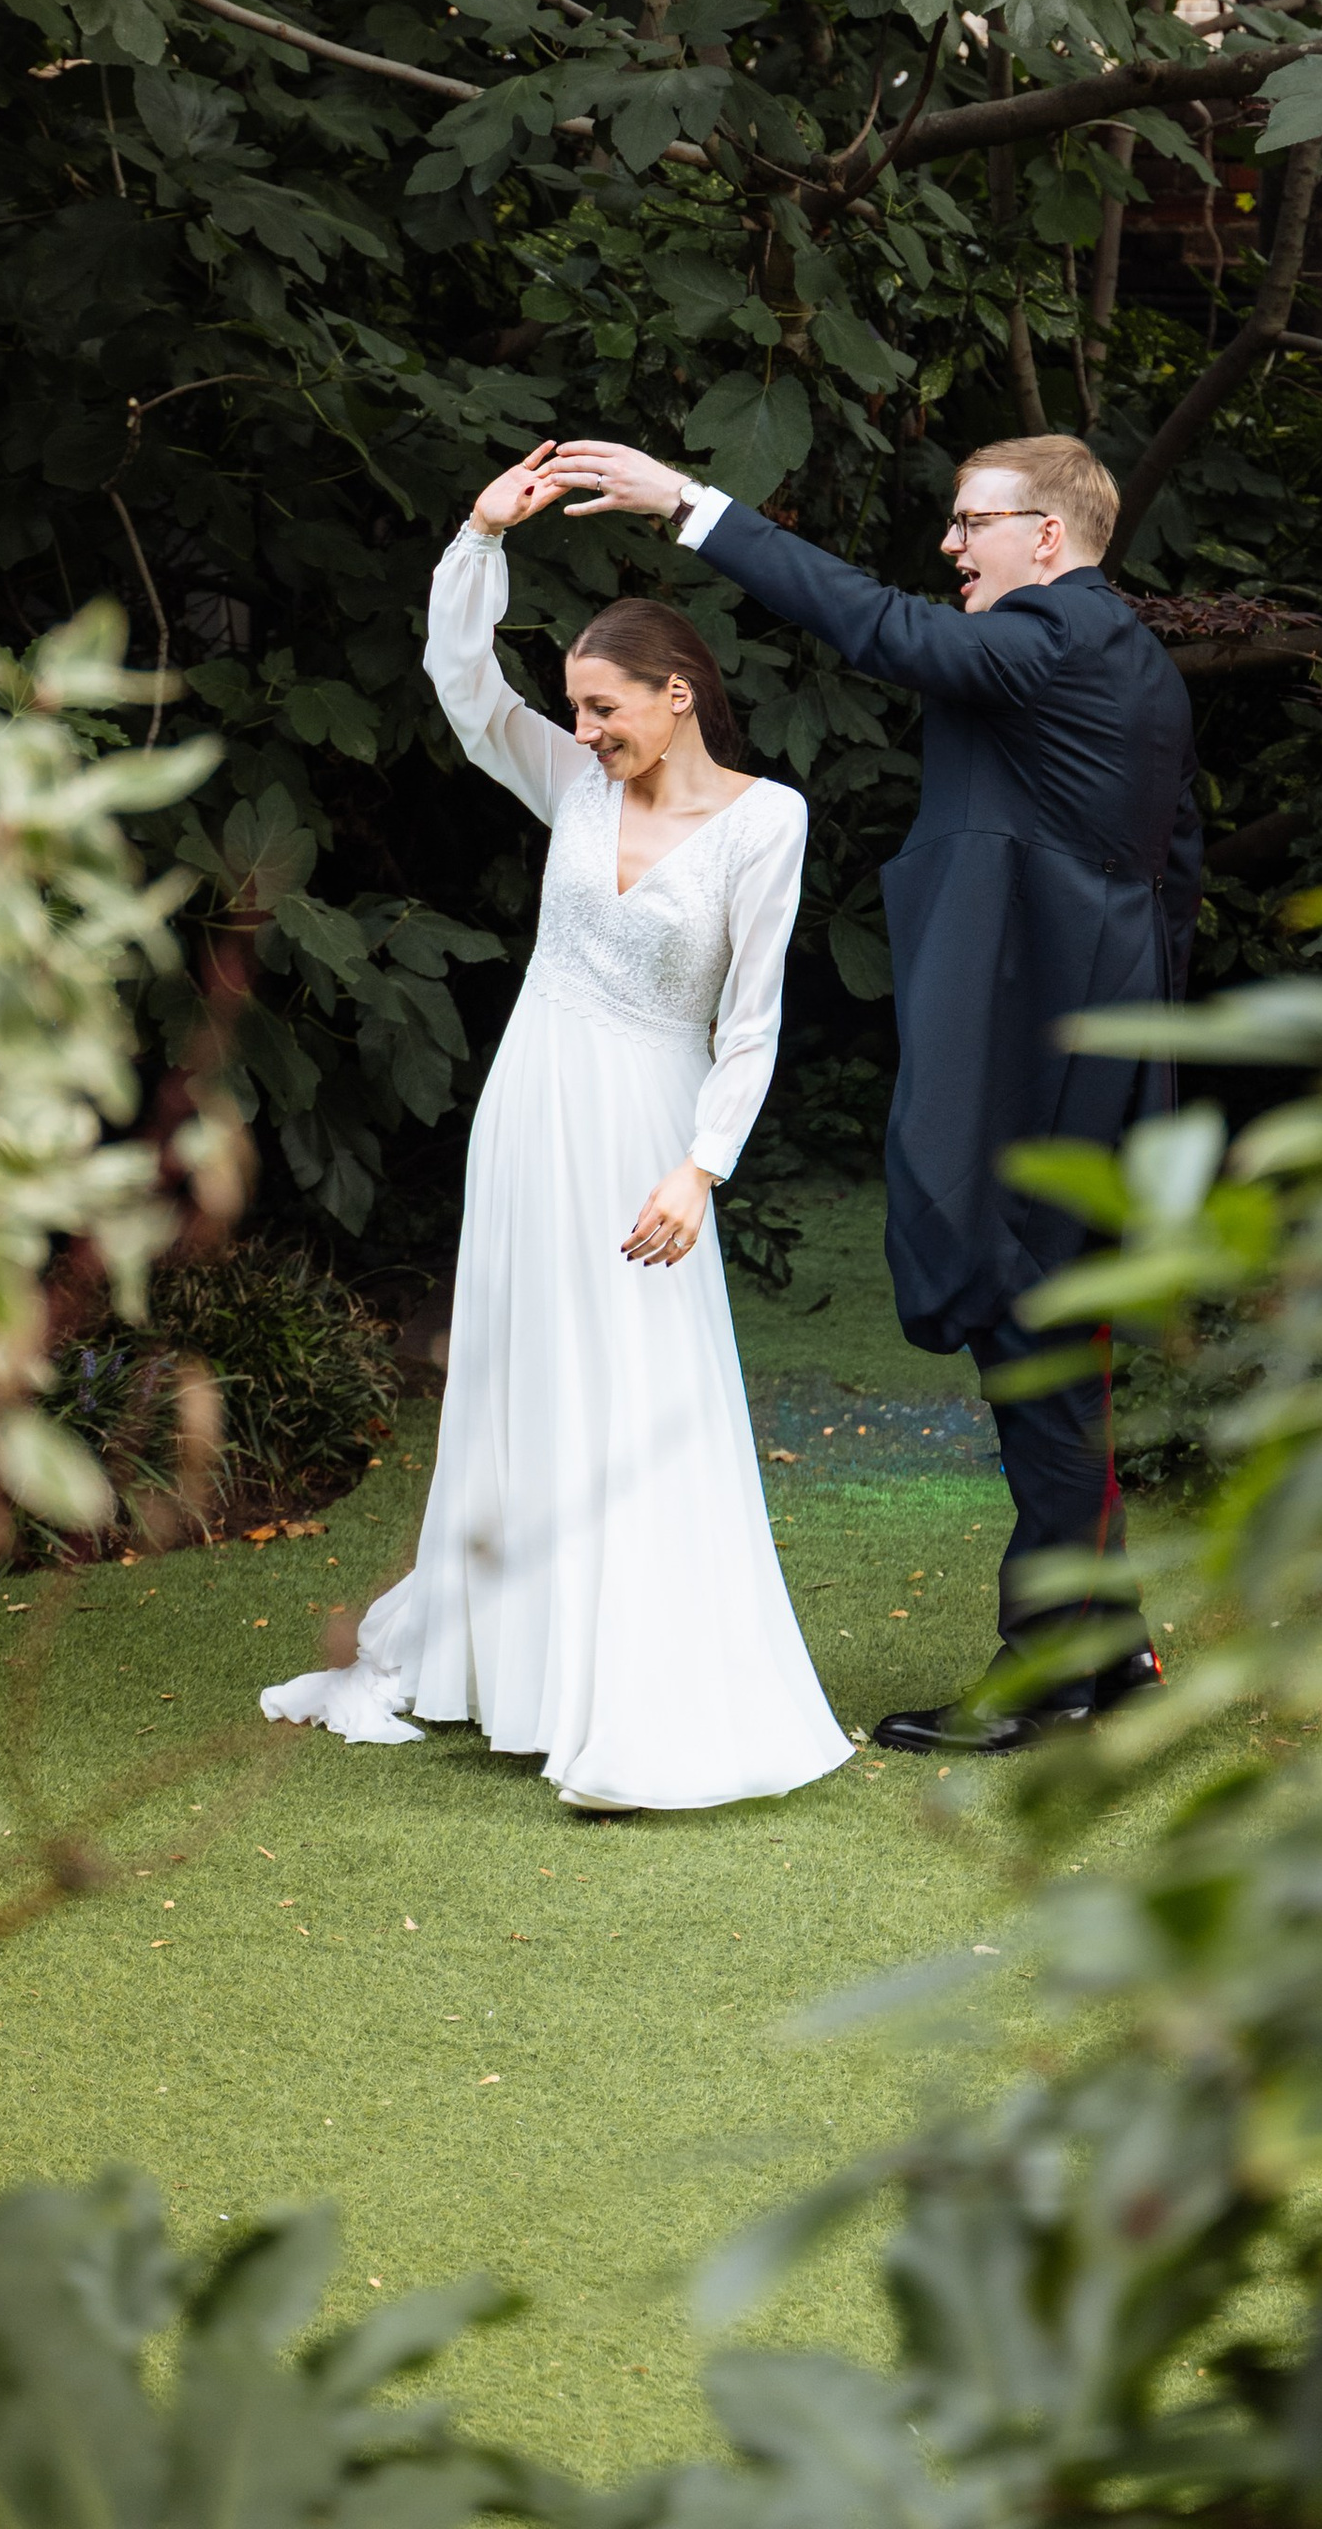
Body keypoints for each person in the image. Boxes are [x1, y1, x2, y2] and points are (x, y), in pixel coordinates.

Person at [543, 432, 1200, 1757]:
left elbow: (881, 629)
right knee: (1050, 1336)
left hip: (1043, 1054)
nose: (952, 546)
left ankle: (1059, 1671)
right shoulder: (1117, 655)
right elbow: (1170, 864)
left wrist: (692, 508)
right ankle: (1108, 1647)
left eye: (974, 523)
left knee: (1036, 1334)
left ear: (1050, 539)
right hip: (1080, 1041)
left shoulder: (1062, 634)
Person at [261, 445, 850, 1814]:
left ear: (676, 695)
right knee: (525, 1379)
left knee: (644, 1392)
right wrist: (480, 536)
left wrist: (701, 1168)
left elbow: (751, 1021)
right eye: (576, 711)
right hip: (532, 1114)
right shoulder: (574, 787)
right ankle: (513, 1672)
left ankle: (637, 1693)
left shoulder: (769, 825)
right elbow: (467, 692)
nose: (585, 733)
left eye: (605, 710)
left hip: (651, 1124)